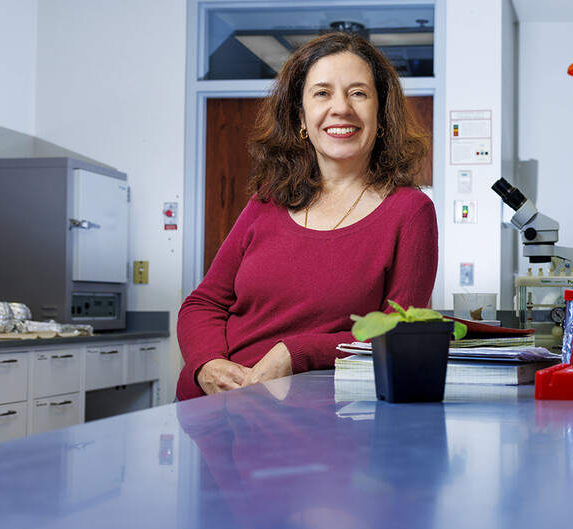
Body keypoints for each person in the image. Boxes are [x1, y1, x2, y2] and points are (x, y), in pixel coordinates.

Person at [176, 31, 436, 401]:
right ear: (302, 118)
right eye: (322, 93)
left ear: (381, 116)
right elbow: (204, 303)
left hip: (306, 419)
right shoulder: (268, 201)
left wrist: (297, 352)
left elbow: (398, 333)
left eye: (358, 93)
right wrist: (206, 364)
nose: (341, 107)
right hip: (208, 406)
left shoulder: (409, 211)